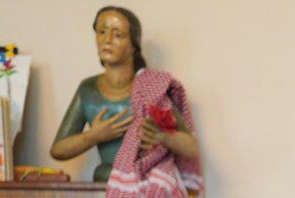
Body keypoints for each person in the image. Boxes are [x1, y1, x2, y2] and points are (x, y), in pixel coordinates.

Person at [50, 6, 199, 181]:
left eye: (118, 35)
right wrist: (93, 136)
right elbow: (58, 149)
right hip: (104, 183)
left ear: (133, 45)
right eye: (102, 32)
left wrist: (163, 137)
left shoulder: (151, 87)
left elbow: (191, 147)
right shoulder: (87, 89)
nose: (107, 40)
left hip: (146, 181)